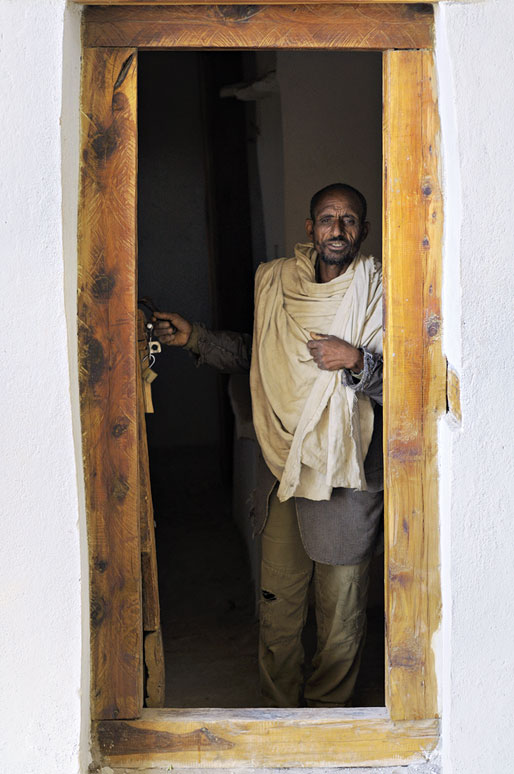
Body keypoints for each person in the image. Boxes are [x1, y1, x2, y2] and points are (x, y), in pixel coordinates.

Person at [153, 183, 383, 708]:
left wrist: (356, 360)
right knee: (278, 606)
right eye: (327, 219)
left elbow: (408, 383)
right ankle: (279, 717)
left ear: (364, 232)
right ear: (311, 228)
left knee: (341, 611)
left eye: (349, 220)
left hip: (347, 477)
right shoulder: (278, 282)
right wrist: (196, 339)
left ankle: (327, 720)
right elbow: (258, 356)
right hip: (283, 468)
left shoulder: (379, 292)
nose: (338, 230)